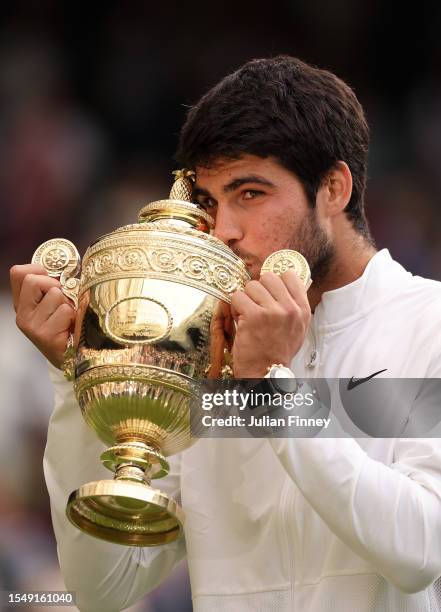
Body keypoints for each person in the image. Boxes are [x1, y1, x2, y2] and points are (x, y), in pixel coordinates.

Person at [10, 56, 441, 611]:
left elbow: (420, 549)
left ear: (333, 189)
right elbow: (103, 586)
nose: (226, 232)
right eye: (211, 202)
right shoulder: (203, 352)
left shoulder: (428, 321)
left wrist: (266, 391)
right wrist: (77, 378)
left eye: (251, 194)